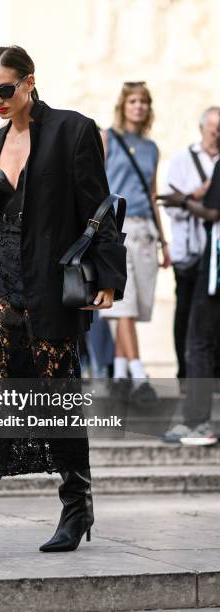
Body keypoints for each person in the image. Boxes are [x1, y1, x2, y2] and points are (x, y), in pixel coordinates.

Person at [0, 45, 126, 562]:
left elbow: (98, 206)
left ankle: (76, 505)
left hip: (48, 281)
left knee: (57, 393)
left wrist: (107, 276)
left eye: (5, 90)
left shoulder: (72, 129)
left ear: (29, 82)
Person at [99, 82, 170, 402]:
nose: (138, 107)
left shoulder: (151, 148)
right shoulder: (108, 139)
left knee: (136, 304)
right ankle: (139, 375)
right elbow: (95, 183)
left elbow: (152, 194)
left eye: (143, 101)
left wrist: (164, 240)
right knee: (121, 302)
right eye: (133, 101)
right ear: (123, 105)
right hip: (116, 226)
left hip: (145, 230)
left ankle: (119, 373)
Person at [161, 111, 220, 446]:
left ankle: (198, 423)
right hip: (201, 262)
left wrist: (183, 199)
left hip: (214, 269)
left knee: (198, 340)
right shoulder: (185, 158)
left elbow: (213, 212)